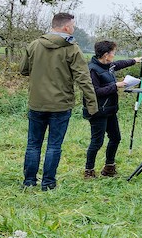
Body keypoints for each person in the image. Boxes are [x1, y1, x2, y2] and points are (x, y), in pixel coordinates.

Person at [20, 12, 98, 191]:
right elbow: (83, 79)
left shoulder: (34, 45)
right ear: (66, 27)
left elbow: (24, 70)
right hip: (61, 105)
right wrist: (92, 104)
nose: (74, 28)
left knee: (33, 144)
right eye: (73, 25)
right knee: (54, 145)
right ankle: (48, 183)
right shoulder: (72, 48)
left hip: (37, 103)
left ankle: (29, 182)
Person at [83, 40, 142, 179]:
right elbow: (95, 91)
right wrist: (116, 85)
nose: (114, 55)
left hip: (110, 109)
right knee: (97, 142)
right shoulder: (92, 70)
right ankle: (89, 170)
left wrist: (134, 60)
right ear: (105, 55)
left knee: (115, 138)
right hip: (98, 111)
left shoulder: (108, 65)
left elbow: (119, 64)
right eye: (113, 53)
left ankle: (109, 167)